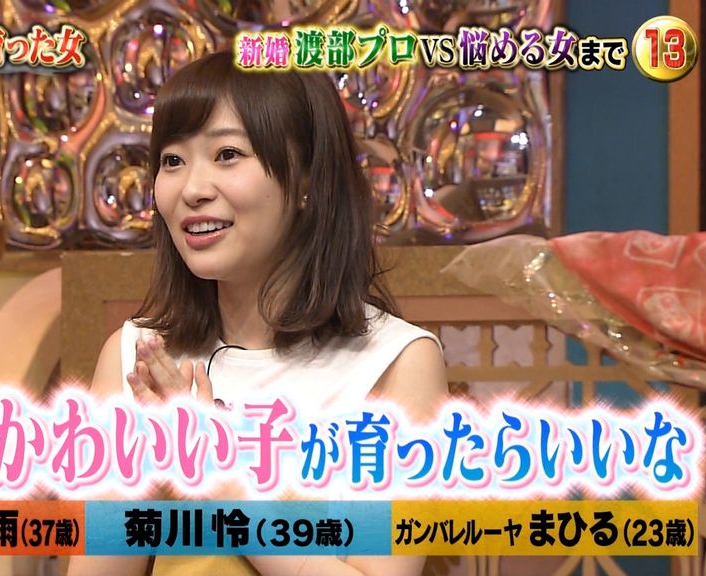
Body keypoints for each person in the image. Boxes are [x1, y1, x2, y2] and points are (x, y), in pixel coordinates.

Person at [69, 50, 447, 576]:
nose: (192, 189)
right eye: (172, 161)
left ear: (307, 178)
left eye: (227, 154)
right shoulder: (139, 357)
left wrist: (218, 473)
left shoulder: (398, 362)